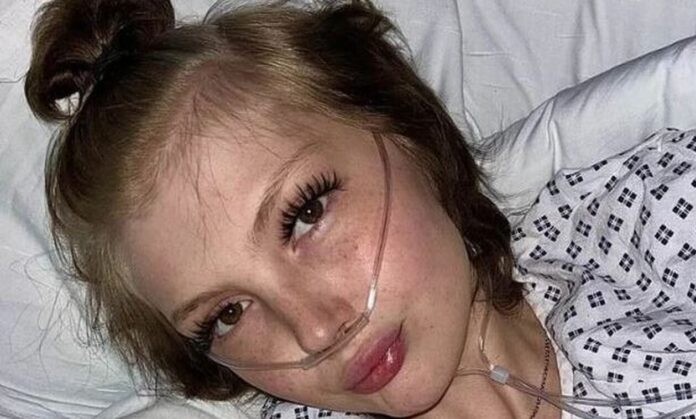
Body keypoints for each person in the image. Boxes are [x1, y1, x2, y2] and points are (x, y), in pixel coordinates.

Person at [23, 0, 696, 418]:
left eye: (305, 214)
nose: (319, 330)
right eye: (227, 314)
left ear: (405, 130)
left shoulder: (647, 218)